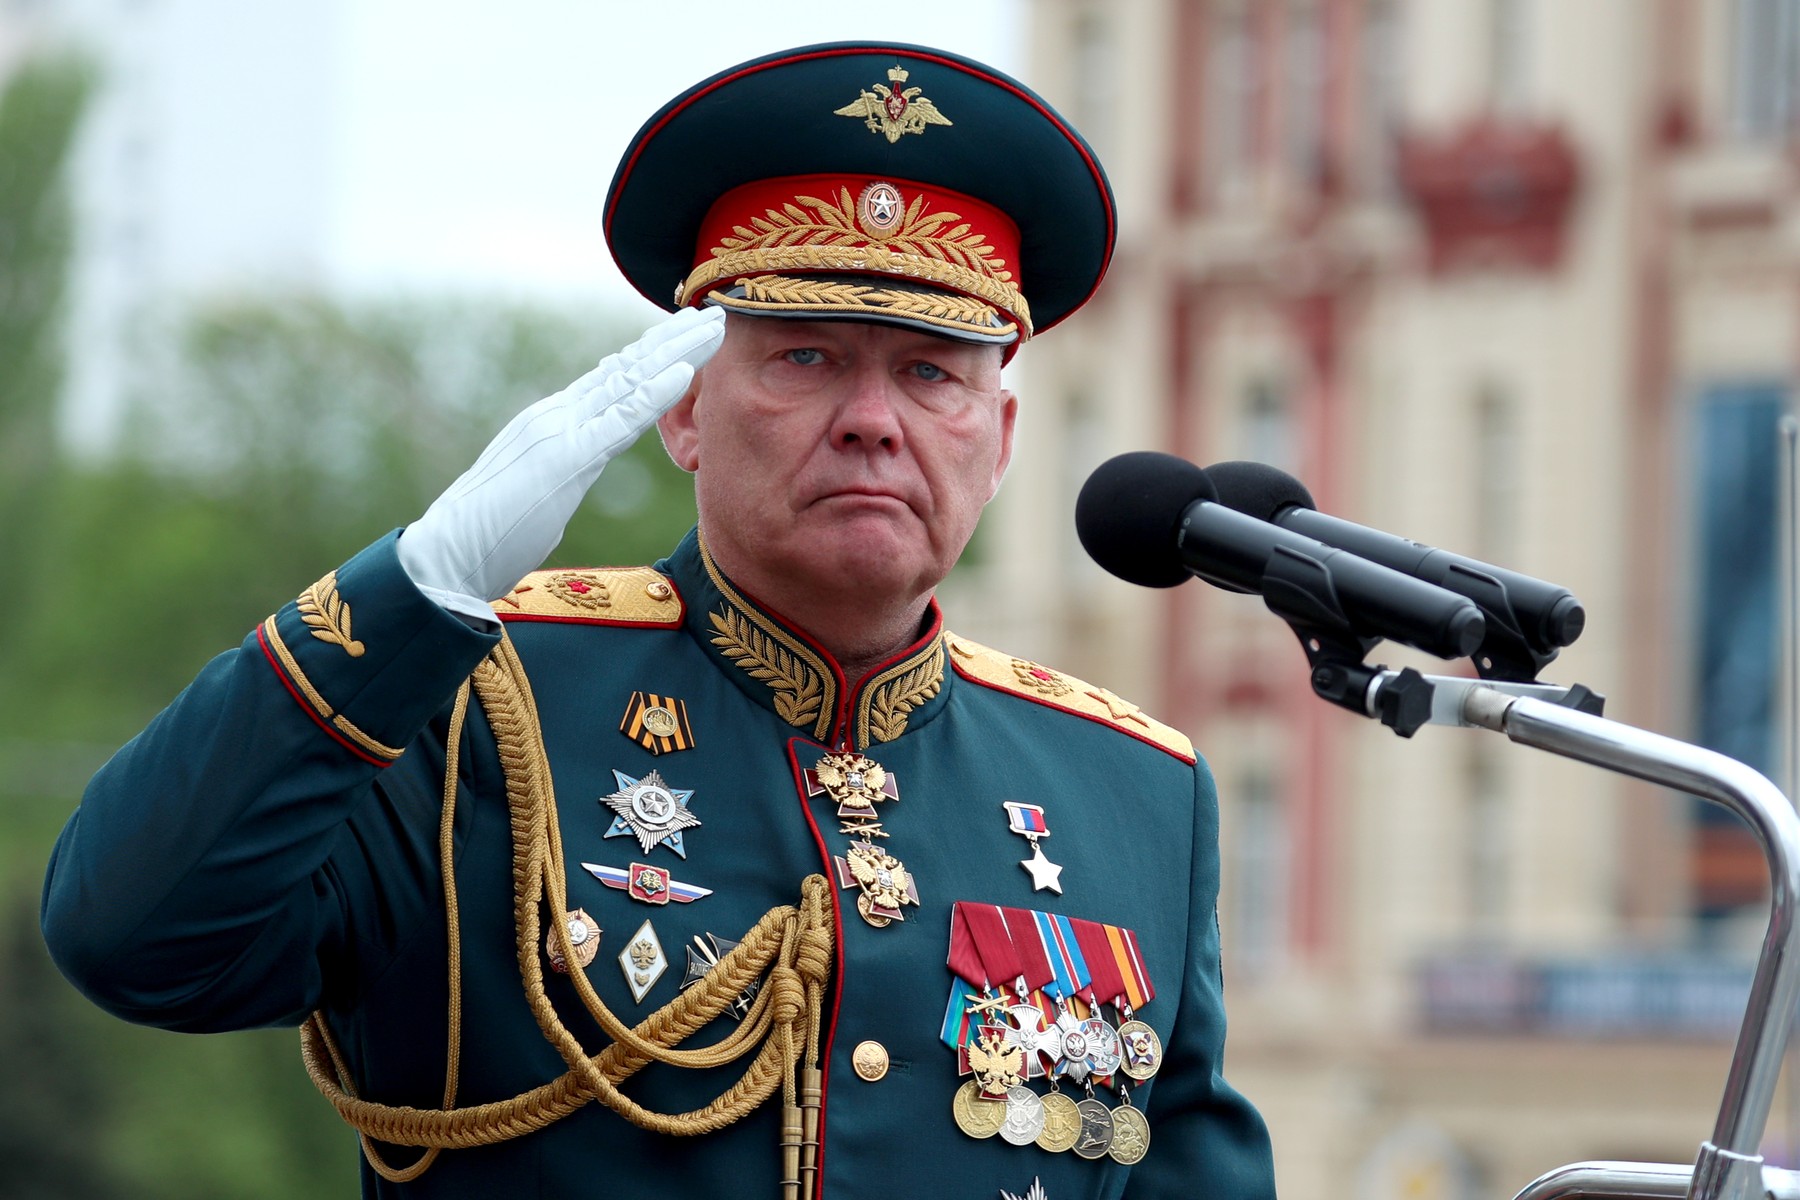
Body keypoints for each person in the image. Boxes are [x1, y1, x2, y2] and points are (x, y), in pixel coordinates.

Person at [42, 41, 1276, 1199]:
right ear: (685, 411)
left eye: (930, 372)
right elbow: (133, 934)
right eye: (804, 358)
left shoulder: (1133, 793)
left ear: (1000, 440)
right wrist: (411, 592)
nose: (871, 418)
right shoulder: (469, 700)